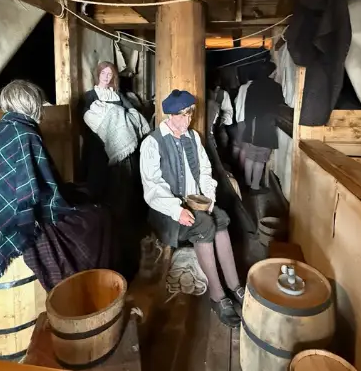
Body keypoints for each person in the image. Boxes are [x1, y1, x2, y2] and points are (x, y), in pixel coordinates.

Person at [139, 89, 243, 326]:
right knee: (205, 225)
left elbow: (205, 171)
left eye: (190, 115)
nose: (187, 121)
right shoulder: (152, 143)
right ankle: (218, 297)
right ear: (170, 116)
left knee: (221, 219)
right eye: (182, 116)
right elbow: (152, 189)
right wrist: (177, 210)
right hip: (166, 211)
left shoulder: (193, 137)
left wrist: (208, 196)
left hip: (196, 201)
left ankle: (235, 286)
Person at [0, 79, 71, 287]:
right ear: (31, 103)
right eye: (38, 101)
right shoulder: (25, 134)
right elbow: (42, 189)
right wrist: (64, 207)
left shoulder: (4, 128)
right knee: (93, 223)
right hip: (14, 221)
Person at [81, 60, 149, 261]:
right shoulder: (90, 96)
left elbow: (133, 116)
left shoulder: (118, 96)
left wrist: (121, 116)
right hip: (99, 151)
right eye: (104, 73)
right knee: (103, 192)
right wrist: (113, 116)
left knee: (124, 192)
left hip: (122, 150)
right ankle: (104, 241)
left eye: (110, 74)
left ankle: (125, 238)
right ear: (98, 74)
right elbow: (87, 118)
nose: (107, 77)